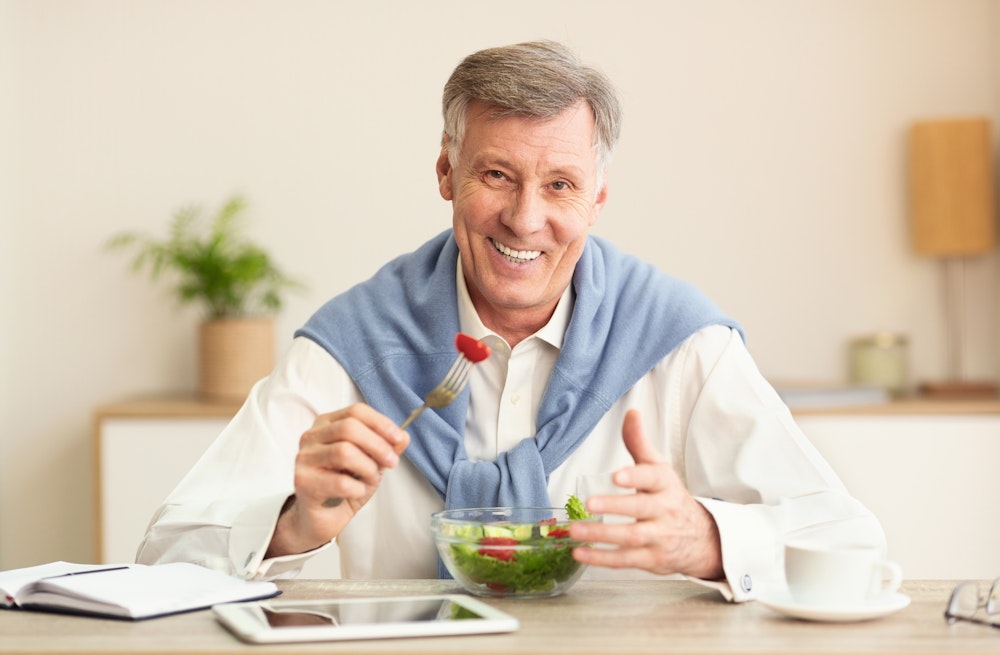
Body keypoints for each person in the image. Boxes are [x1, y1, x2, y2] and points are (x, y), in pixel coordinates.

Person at [136, 40, 884, 602]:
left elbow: (854, 548)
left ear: (596, 199)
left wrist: (707, 539)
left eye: (560, 184)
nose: (526, 219)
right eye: (496, 174)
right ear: (445, 175)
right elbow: (162, 560)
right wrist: (291, 523)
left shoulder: (683, 343)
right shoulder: (350, 347)